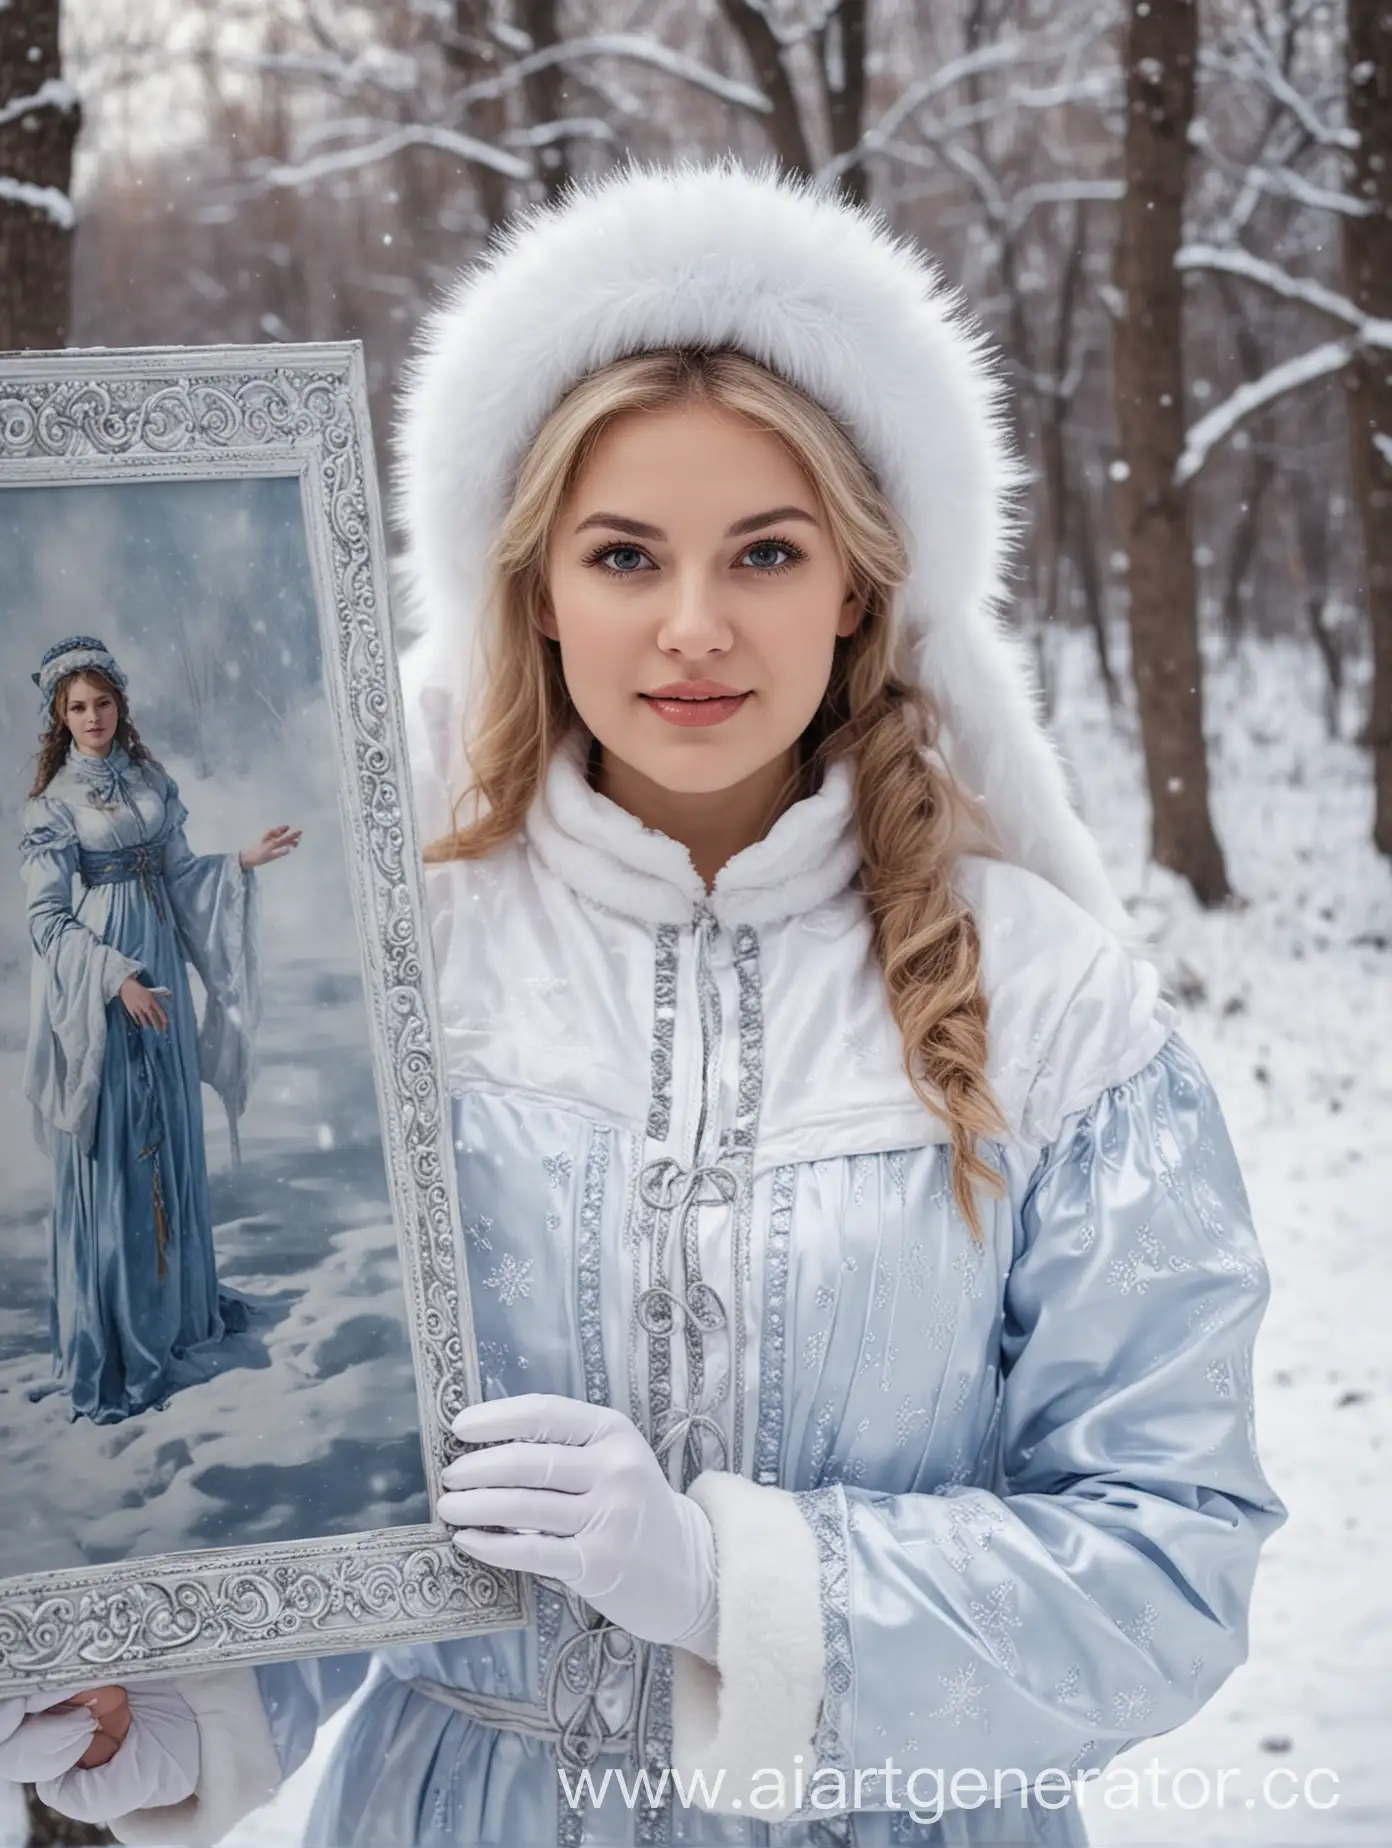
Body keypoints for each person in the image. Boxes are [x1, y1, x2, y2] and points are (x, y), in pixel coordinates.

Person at [3, 160, 1287, 1845]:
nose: (692, 627)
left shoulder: (1049, 1002)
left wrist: (727, 1580)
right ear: (537, 588)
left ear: (858, 586)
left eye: (764, 549)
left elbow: (1164, 1552)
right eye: (624, 554)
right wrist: (179, 1694)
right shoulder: (416, 953)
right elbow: (350, 1482)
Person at [16, 636, 300, 1424]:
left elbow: (176, 872)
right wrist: (116, 977)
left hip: (164, 972)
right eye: (77, 707)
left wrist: (239, 863)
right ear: (60, 717)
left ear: (120, 706)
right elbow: (45, 922)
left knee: (168, 1139)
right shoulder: (51, 807)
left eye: (102, 702)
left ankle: (174, 1314)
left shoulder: (151, 781)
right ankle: (122, 1331)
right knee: (119, 1152)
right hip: (105, 985)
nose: (93, 717)